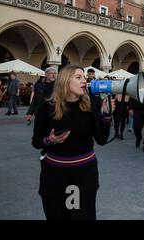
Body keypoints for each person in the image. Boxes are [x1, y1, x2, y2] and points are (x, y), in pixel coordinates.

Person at [31, 65, 114, 220]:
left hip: (84, 174)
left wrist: (106, 116)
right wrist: (50, 140)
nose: (84, 80)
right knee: (57, 215)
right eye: (79, 77)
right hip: (55, 174)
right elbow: (36, 142)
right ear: (65, 81)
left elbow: (101, 140)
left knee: (81, 216)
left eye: (84, 77)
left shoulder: (91, 106)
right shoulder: (47, 107)